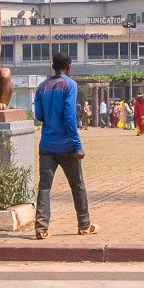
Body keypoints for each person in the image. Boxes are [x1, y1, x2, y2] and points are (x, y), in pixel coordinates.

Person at [33, 53, 97, 240]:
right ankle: (84, 225)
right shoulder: (69, 85)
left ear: (53, 66)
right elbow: (70, 116)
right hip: (67, 145)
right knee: (77, 185)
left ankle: (41, 227)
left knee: (44, 187)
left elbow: (39, 115)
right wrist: (77, 145)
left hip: (46, 144)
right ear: (68, 66)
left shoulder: (41, 87)